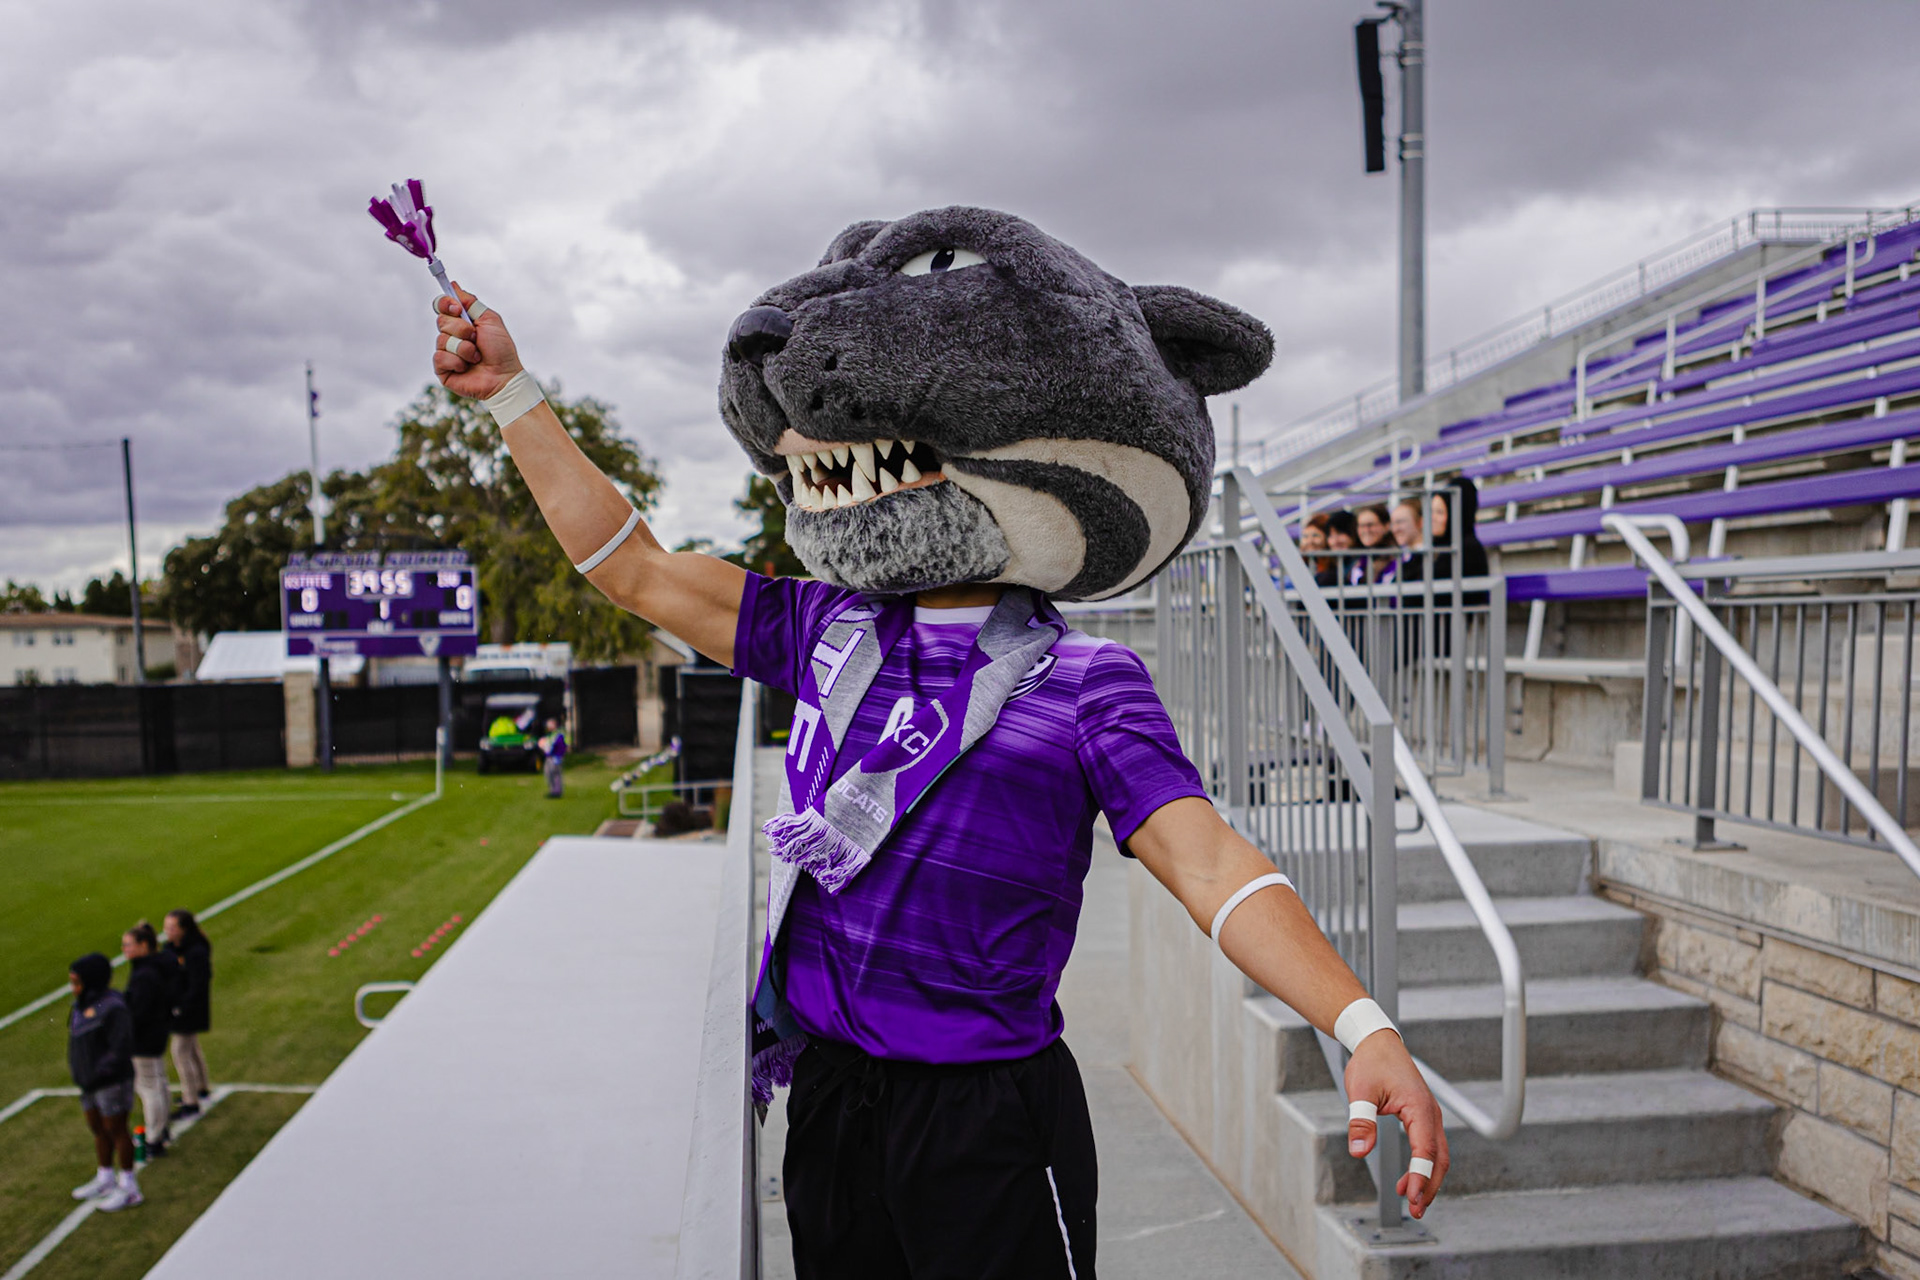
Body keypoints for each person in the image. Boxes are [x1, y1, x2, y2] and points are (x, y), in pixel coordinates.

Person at [422, 206, 1447, 1277]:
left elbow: (1211, 864)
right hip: (830, 1096)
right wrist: (515, 397)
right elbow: (631, 566)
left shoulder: (1087, 682)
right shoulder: (820, 623)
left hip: (986, 1118)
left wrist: (1358, 1018)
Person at [66, 953, 142, 1212]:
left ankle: (130, 1187)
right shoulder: (78, 1006)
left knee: (116, 1129)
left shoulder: (113, 1006)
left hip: (111, 1081)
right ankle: (105, 1178)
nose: (73, 987)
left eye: (76, 981)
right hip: (88, 1082)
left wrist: (100, 1072)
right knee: (97, 1128)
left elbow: (121, 1047)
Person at [121, 921, 174, 1158]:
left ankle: (154, 1136)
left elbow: (139, 1011)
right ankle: (161, 1130)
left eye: (128, 945)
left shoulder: (144, 974)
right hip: (157, 1032)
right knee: (158, 1081)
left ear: (144, 945)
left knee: (149, 1086)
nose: (125, 950)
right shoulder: (157, 966)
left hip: (145, 1037)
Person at [162, 909, 212, 1120]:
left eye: (172, 928)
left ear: (184, 929)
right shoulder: (176, 948)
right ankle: (201, 1087)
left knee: (180, 1052)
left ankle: (191, 1100)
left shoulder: (195, 952)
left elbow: (198, 983)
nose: (167, 932)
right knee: (191, 1048)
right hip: (186, 1008)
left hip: (188, 1010)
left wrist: (181, 1006)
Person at [538, 717, 568, 799]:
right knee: (549, 774)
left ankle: (557, 791)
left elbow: (558, 746)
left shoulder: (558, 734)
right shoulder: (551, 735)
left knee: (555, 774)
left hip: (555, 757)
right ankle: (553, 790)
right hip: (550, 757)